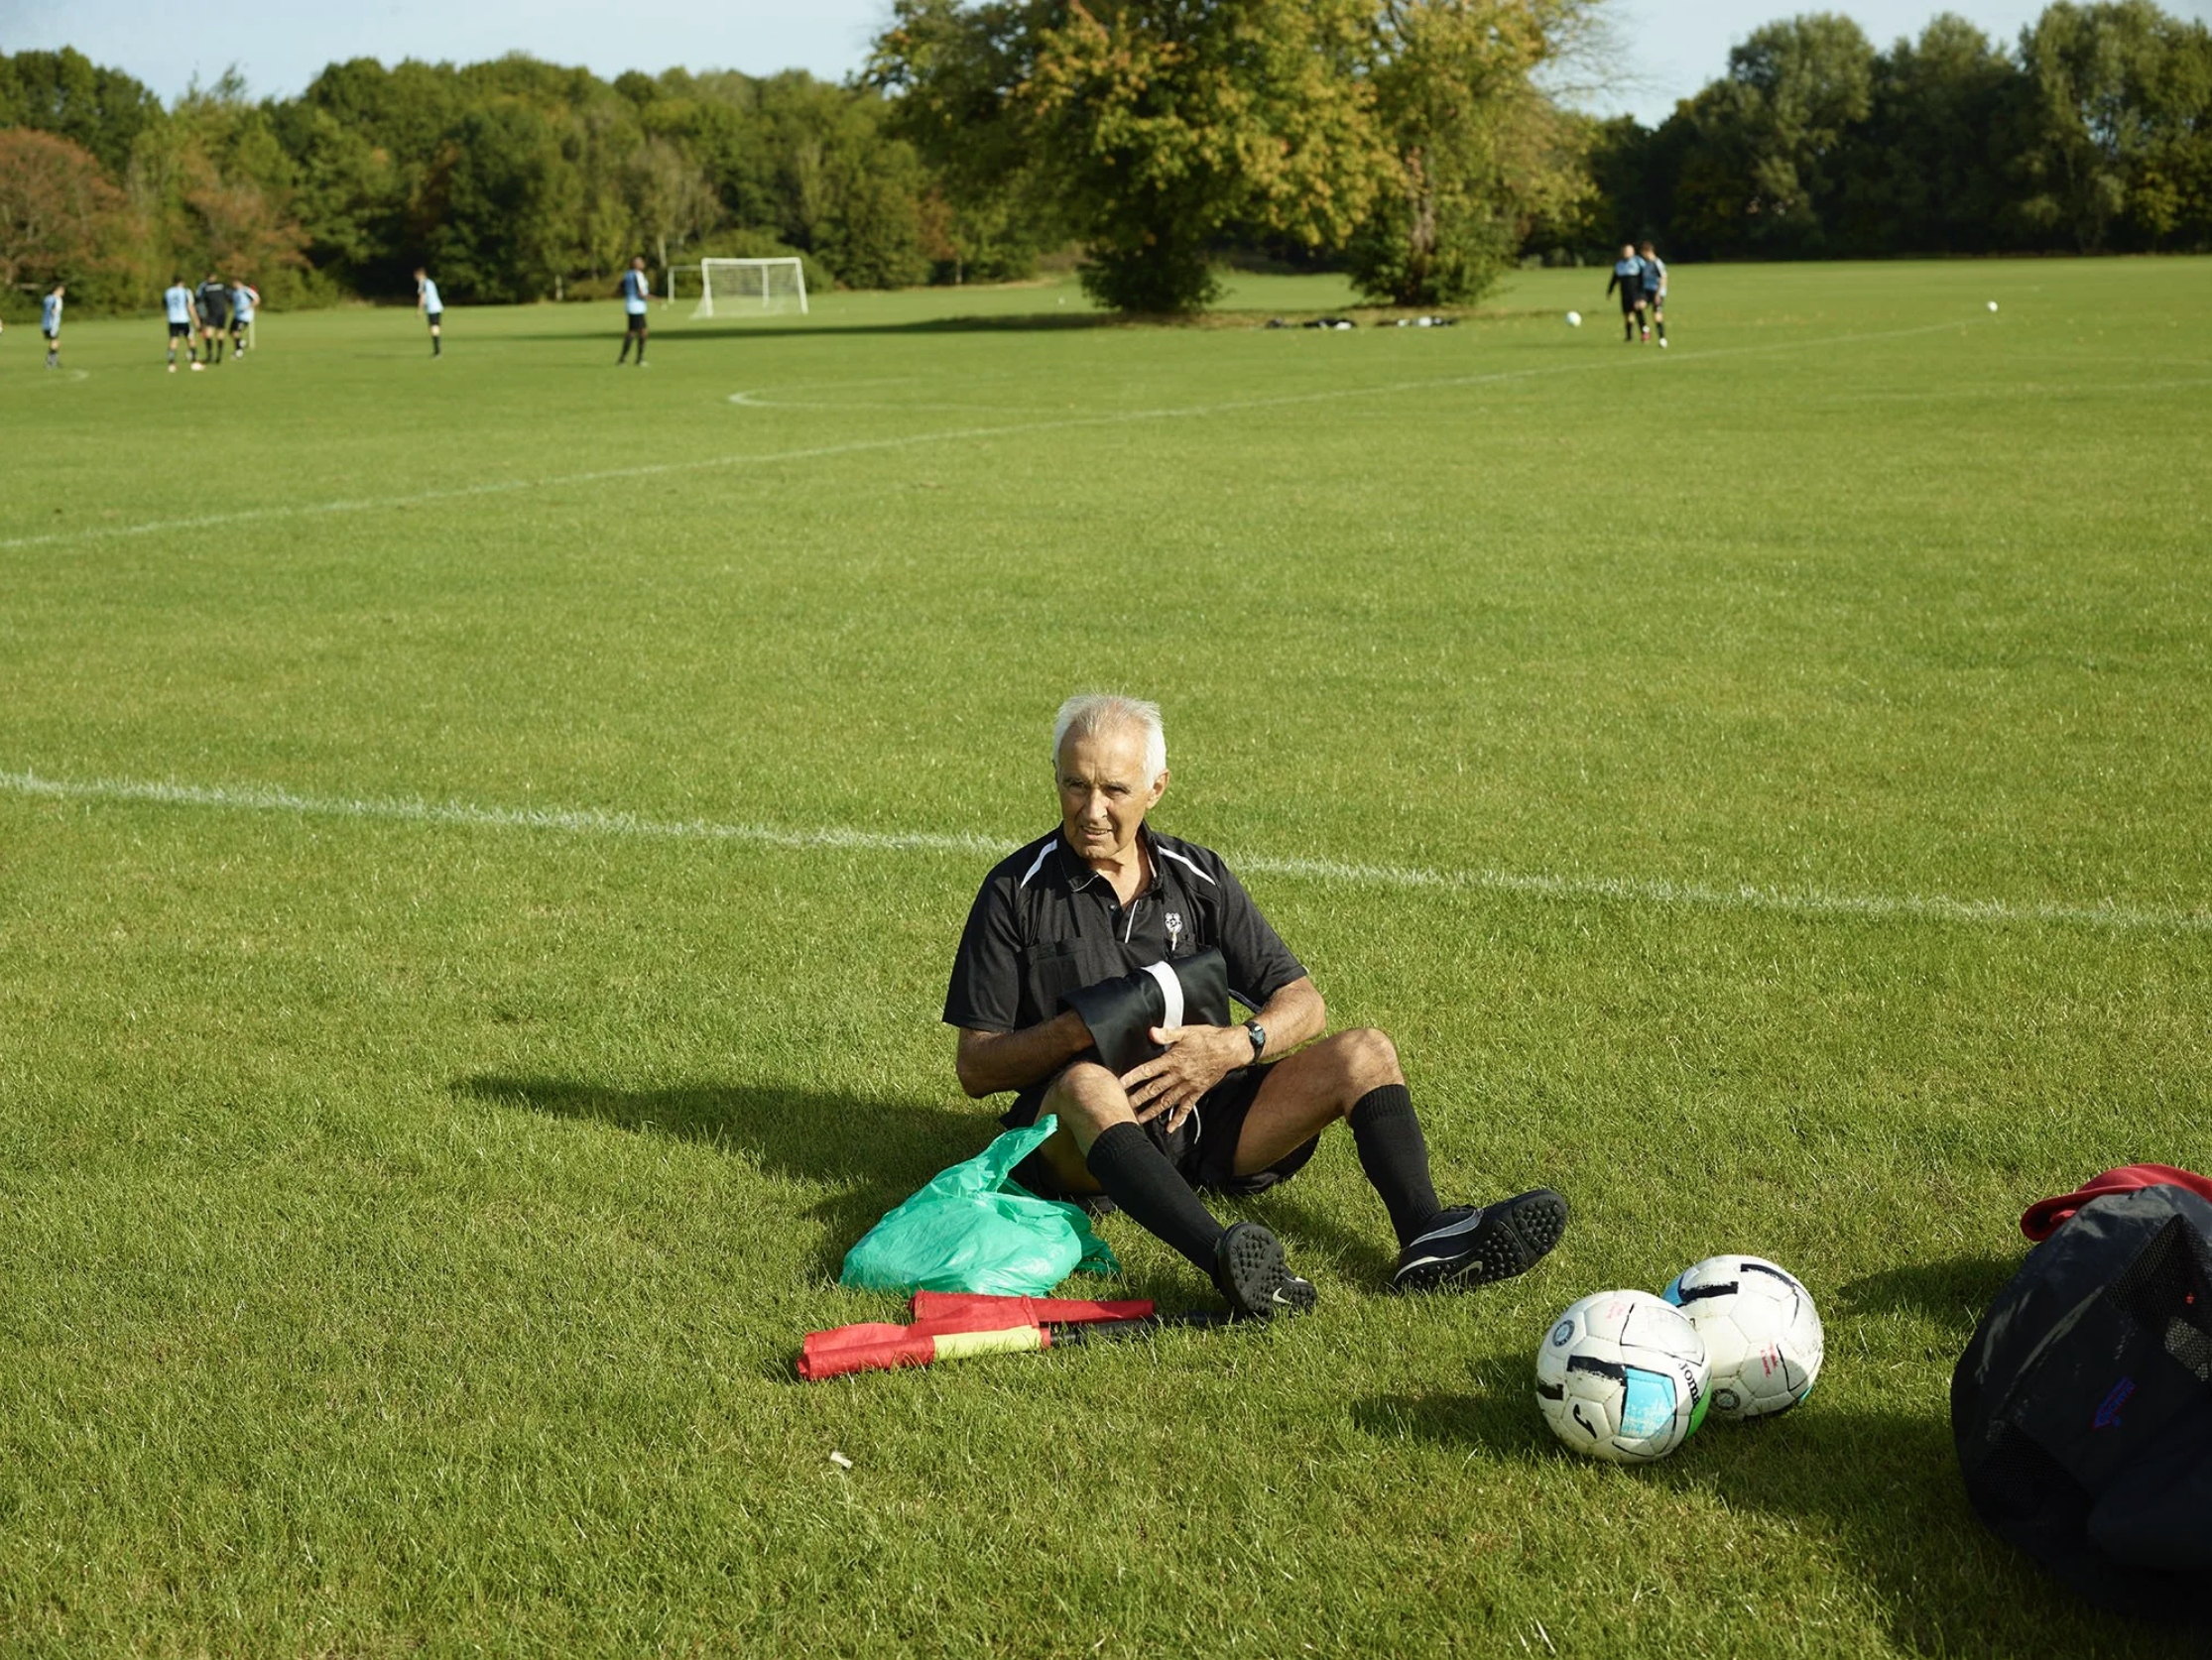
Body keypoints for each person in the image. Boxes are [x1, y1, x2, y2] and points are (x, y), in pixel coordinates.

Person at [943, 693, 1569, 1320]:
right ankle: (1222, 1256)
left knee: (1366, 1051)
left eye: (1114, 789)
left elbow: (1303, 1002)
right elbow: (977, 1067)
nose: (1092, 810)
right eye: (1075, 785)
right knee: (1084, 1083)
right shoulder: (1013, 891)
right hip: (1085, 1146)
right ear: (1057, 775)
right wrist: (1078, 1030)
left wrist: (1234, 1046)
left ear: (1157, 787)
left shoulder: (1197, 876)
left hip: (1207, 1119)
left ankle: (1428, 1235)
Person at [1605, 244, 1645, 344]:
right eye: (1624, 251)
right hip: (1624, 293)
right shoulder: (1619, 264)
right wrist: (1610, 291)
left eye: (1628, 251)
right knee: (1627, 314)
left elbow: (1644, 278)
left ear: (1633, 252)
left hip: (1636, 293)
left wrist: (1643, 293)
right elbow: (1614, 279)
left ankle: (1645, 333)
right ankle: (1629, 336)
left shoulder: (1638, 262)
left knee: (1638, 312)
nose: (1626, 253)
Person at [617, 255, 651, 366]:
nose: (642, 263)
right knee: (635, 332)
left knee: (641, 331)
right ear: (635, 264)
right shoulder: (638, 275)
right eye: (640, 261)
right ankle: (630, 359)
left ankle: (632, 359)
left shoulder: (627, 275)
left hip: (631, 306)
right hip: (637, 307)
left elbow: (621, 288)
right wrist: (654, 298)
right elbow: (641, 293)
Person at [163, 276, 201, 372]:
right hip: (183, 319)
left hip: (172, 319)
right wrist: (196, 320)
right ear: (182, 282)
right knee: (190, 339)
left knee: (173, 340)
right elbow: (190, 306)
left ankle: (171, 364)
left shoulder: (168, 292)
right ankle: (194, 362)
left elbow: (165, 305)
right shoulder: (185, 291)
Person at [195, 273, 231, 365]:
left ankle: (213, 356)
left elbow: (199, 301)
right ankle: (215, 356)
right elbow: (229, 298)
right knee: (217, 334)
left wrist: (201, 317)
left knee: (211, 334)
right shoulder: (222, 286)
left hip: (213, 314)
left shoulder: (205, 287)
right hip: (220, 313)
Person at [1638, 242, 1668, 348]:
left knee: (1656, 316)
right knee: (1638, 306)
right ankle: (1645, 330)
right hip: (1647, 291)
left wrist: (1658, 294)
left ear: (1648, 251)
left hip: (1657, 292)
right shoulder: (1646, 263)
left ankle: (1662, 338)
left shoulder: (1657, 263)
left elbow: (1663, 278)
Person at [415, 268, 442, 357]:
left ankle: (437, 351)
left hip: (432, 309)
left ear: (420, 275)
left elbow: (422, 297)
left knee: (433, 329)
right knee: (436, 328)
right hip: (438, 307)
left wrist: (419, 310)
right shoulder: (430, 282)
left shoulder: (423, 283)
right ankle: (437, 351)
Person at [229, 278, 257, 357]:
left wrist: (247, 308)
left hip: (245, 316)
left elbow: (256, 300)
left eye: (234, 283)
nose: (233, 285)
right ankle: (241, 342)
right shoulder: (235, 292)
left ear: (238, 282)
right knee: (231, 332)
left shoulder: (246, 290)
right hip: (237, 315)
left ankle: (238, 351)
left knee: (236, 332)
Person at [40, 282, 63, 370]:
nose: (63, 292)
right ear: (57, 290)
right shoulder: (56, 299)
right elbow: (54, 311)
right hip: (52, 325)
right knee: (55, 342)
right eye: (62, 290)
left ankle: (53, 361)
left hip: (45, 324)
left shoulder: (47, 298)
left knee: (55, 342)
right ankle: (51, 362)